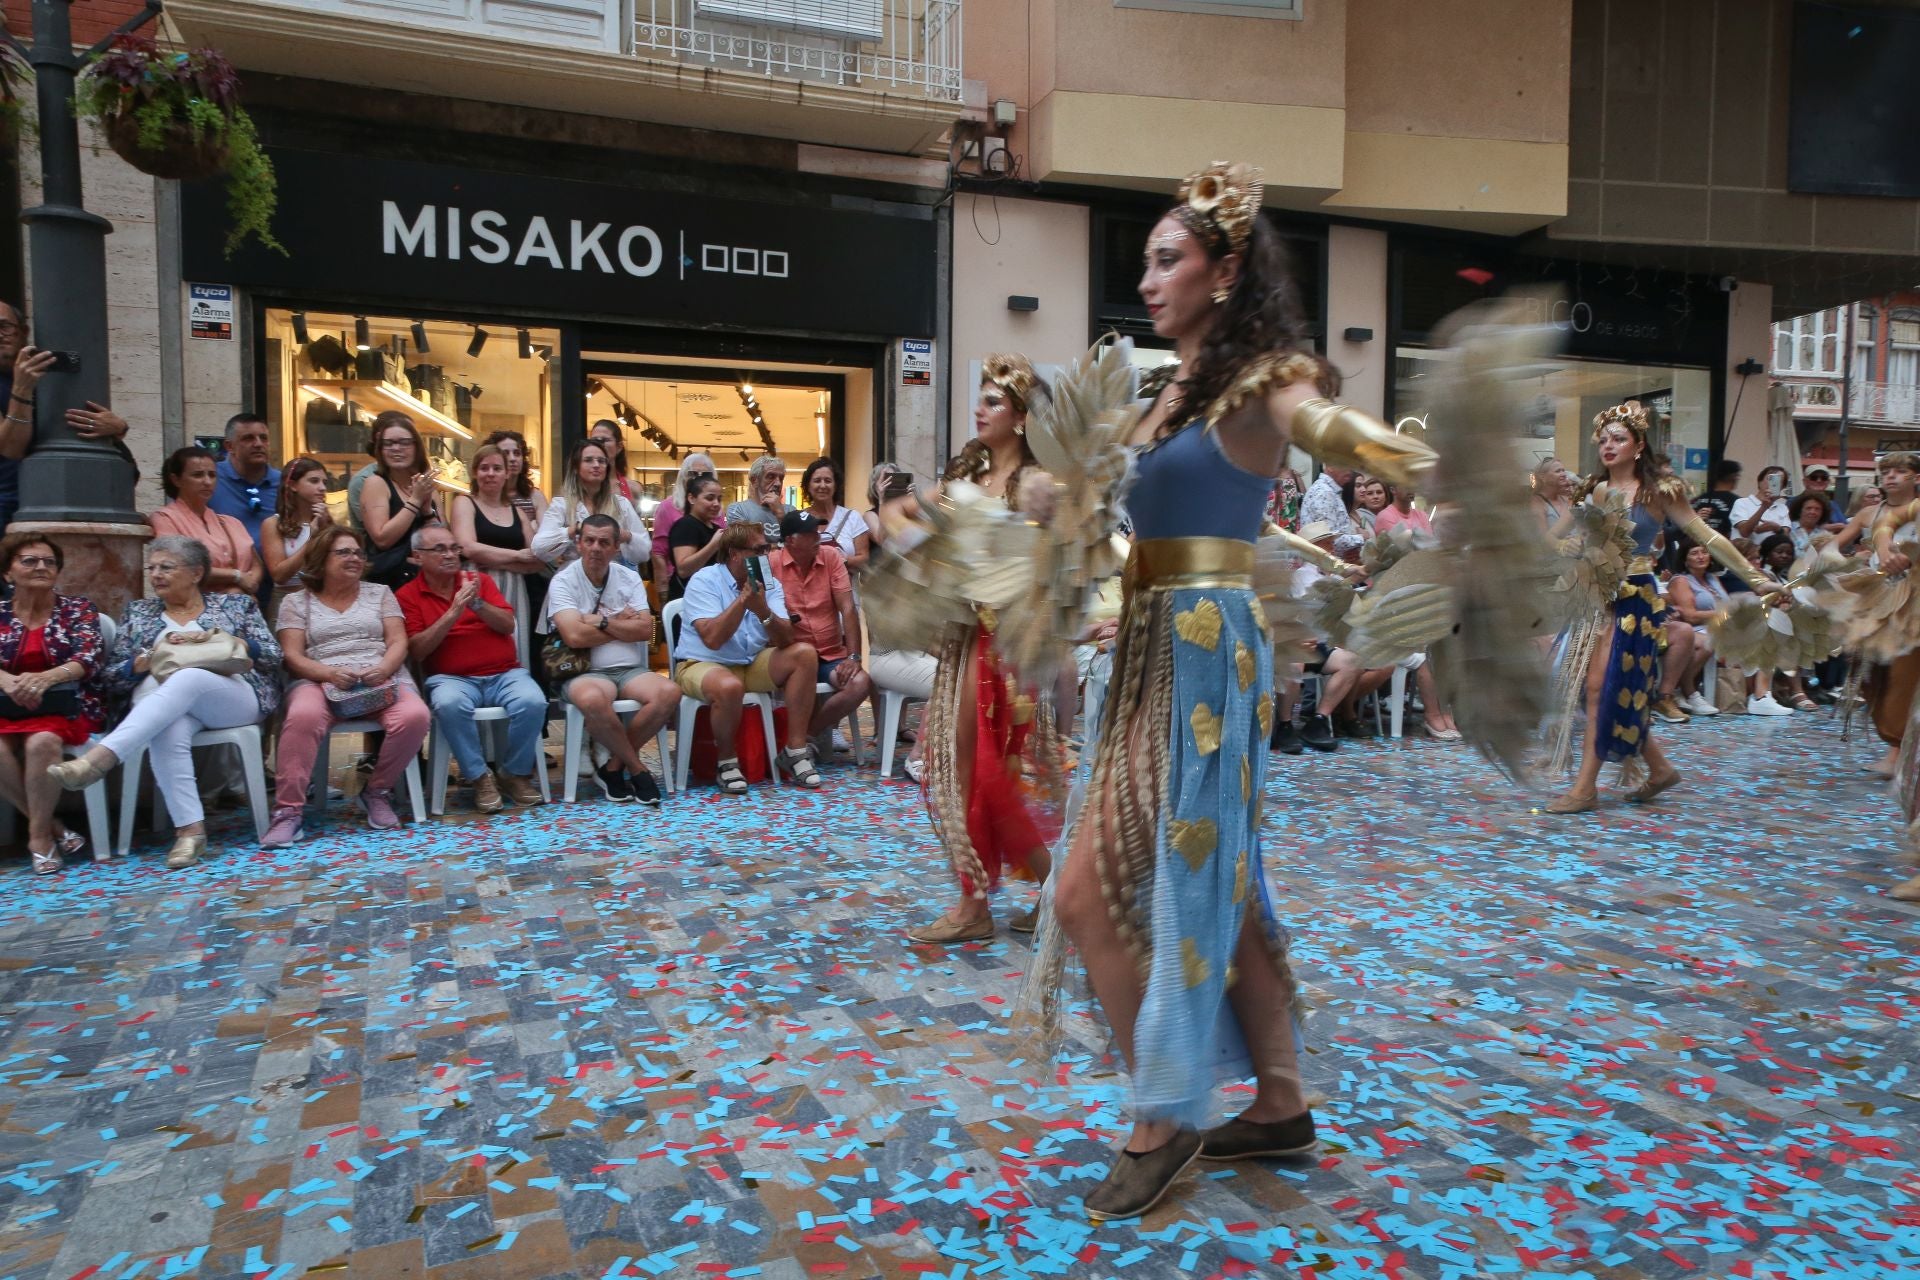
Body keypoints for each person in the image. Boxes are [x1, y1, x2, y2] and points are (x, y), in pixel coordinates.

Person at [1032, 162, 1441, 1221]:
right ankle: (1283, 1102)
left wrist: (1414, 454)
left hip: (1207, 654)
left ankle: (1161, 1120)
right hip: (1152, 637)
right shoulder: (1169, 388)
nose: (1150, 277)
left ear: (1223, 272)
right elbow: (1130, 514)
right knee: (1227, 882)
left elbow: (1329, 428)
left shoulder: (1262, 381)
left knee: (1086, 892)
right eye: (1147, 260)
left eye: (1169, 258)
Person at [1546, 404, 1777, 814]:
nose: (1608, 445)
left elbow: (1707, 536)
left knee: (1602, 687)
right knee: (1607, 688)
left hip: (1634, 598)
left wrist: (1756, 578)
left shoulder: (1660, 492)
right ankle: (1660, 767)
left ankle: (1585, 788)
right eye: (1603, 439)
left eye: (1618, 438)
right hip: (1592, 597)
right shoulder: (1589, 490)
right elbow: (1553, 541)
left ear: (1638, 446)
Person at [904, 353, 1060, 943]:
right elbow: (919, 530)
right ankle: (1041, 888)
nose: (979, 408)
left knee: (980, 767)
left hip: (1007, 639)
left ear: (1020, 416)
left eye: (993, 401)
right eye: (980, 398)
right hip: (966, 635)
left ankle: (981, 904)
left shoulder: (1038, 483)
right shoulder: (969, 477)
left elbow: (1047, 566)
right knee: (969, 768)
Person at [52, 536, 282, 868]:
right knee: (168, 726)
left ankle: (101, 758)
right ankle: (190, 832)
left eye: (166, 567)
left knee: (187, 677)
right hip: (169, 706)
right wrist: (141, 663)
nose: (156, 574)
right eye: (153, 568)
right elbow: (112, 677)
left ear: (196, 572)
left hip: (235, 698)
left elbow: (274, 656)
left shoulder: (235, 606)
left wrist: (228, 642)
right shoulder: (140, 612)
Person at [268, 526, 432, 844]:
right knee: (303, 715)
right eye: (344, 552)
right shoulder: (296, 602)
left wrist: (384, 667)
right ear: (320, 558)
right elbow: (291, 656)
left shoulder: (380, 593)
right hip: (318, 677)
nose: (354, 557)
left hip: (380, 675)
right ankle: (288, 811)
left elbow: (398, 641)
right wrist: (326, 673)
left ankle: (377, 792)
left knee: (415, 715)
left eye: (358, 552)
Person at [397, 526, 547, 813]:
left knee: (533, 701)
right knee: (449, 704)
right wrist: (454, 610)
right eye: (440, 549)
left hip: (505, 673)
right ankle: (479, 777)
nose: (451, 555)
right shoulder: (408, 595)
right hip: (451, 678)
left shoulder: (480, 581)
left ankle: (513, 773)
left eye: (454, 548)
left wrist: (476, 603)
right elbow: (417, 650)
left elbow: (507, 625)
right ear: (417, 557)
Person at [673, 521, 821, 792]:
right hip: (700, 663)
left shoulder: (769, 583)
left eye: (768, 548)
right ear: (734, 554)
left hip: (749, 662)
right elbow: (713, 639)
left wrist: (762, 609)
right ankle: (726, 761)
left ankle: (795, 750)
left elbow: (786, 639)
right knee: (730, 686)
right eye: (759, 549)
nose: (767, 555)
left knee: (804, 655)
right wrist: (742, 603)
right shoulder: (704, 580)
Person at [547, 515, 678, 805]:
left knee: (669, 692)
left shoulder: (628, 577)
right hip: (584, 671)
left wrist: (600, 622)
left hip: (630, 669)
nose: (596, 547)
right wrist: (619, 622)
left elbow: (645, 629)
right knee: (594, 699)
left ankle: (613, 767)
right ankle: (638, 768)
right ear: (579, 544)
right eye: (589, 540)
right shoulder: (563, 581)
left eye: (604, 542)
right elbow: (574, 637)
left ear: (616, 547)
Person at [0, 533, 105, 874]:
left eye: (49, 562)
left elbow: (89, 657)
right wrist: (7, 681)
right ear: (7, 573)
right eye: (29, 561)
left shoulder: (77, 609)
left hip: (64, 705)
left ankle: (37, 838)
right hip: (6, 704)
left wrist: (46, 678)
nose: (41, 567)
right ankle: (52, 827)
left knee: (42, 742)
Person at [770, 510, 873, 755]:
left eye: (818, 531)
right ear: (791, 540)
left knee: (861, 683)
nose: (818, 537)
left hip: (829, 653)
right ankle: (800, 741)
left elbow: (847, 608)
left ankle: (807, 735)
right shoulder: (772, 563)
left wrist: (853, 656)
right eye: (810, 534)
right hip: (791, 655)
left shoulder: (831, 557)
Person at [449, 443, 544, 668]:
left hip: (514, 588)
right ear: (475, 472)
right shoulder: (464, 502)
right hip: (476, 586)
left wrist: (496, 557)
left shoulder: (518, 511)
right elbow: (467, 548)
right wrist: (517, 557)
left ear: (506, 473)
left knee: (514, 643)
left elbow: (536, 559)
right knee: (478, 645)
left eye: (496, 468)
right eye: (484, 468)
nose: (490, 473)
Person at [149, 446, 263, 599]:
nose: (207, 482)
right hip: (193, 610)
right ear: (176, 479)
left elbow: (256, 563)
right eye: (197, 475)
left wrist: (245, 589)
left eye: (212, 475)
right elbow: (176, 567)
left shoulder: (231, 522)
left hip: (241, 608)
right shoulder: (165, 518)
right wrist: (236, 576)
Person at [531, 440, 646, 572]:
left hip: (614, 580)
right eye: (588, 460)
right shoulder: (562, 505)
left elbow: (643, 551)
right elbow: (538, 548)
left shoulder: (621, 504)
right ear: (576, 467)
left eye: (601, 461)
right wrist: (574, 530)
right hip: (572, 582)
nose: (596, 465)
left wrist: (625, 536)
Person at [356, 411, 441, 589]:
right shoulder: (375, 483)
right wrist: (415, 501)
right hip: (389, 584)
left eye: (404, 442)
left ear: (416, 447)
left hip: (426, 582)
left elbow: (442, 539)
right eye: (389, 443)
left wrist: (427, 511)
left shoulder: (425, 485)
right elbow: (382, 538)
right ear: (380, 449)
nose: (396, 449)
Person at [210, 413, 282, 605]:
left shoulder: (284, 483)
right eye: (248, 438)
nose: (258, 444)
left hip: (277, 585)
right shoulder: (210, 479)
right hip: (225, 587)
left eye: (263, 438)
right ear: (229, 446)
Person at [1665, 542, 1728, 716]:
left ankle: (1762, 694)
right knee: (1708, 641)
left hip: (1717, 627)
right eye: (1694, 553)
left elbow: (1728, 605)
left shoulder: (1712, 578)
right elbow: (1690, 616)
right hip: (1691, 628)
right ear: (1685, 559)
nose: (1701, 556)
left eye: (1704, 552)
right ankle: (1688, 691)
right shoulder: (1681, 581)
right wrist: (1722, 614)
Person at [261, 458, 333, 602]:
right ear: (293, 485)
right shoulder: (273, 523)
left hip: (322, 600)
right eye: (314, 481)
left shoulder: (326, 521)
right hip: (287, 599)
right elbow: (279, 576)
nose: (322, 487)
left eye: (324, 482)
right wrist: (311, 539)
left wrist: (328, 530)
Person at [650, 453, 723, 588]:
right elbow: (659, 552)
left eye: (706, 475)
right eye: (693, 474)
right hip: (685, 585)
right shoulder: (669, 508)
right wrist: (662, 589)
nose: (698, 478)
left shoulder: (714, 509)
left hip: (709, 586)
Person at [800, 457, 872, 570]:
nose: (822, 485)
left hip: (846, 586)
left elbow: (864, 557)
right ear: (808, 486)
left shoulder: (853, 517)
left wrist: (843, 560)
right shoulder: (799, 519)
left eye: (828, 481)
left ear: (836, 486)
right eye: (817, 480)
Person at [665, 474, 727, 602]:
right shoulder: (686, 525)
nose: (716, 504)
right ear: (692, 498)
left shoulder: (715, 528)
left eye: (719, 499)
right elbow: (683, 569)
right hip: (689, 599)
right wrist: (713, 545)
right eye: (710, 498)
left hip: (710, 596)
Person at [481, 429, 547, 525]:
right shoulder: (483, 497)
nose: (512, 459)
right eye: (506, 453)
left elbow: (546, 534)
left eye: (517, 453)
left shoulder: (535, 497)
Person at [1300, 462, 1361, 558]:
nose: (1350, 469)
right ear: (1330, 466)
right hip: (1322, 568)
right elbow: (1329, 541)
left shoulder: (1328, 491)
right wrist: (1362, 538)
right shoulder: (1324, 493)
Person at [727, 455, 790, 545]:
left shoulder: (791, 510)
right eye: (771, 477)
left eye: (781, 478)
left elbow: (799, 546)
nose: (778, 483)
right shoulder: (737, 509)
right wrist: (782, 547)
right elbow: (747, 546)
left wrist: (781, 515)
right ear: (754, 481)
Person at [1731, 464, 1791, 542]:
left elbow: (1786, 538)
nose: (1773, 484)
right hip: (1744, 553)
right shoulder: (1742, 503)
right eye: (1770, 479)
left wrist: (1777, 528)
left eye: (1779, 481)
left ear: (1782, 487)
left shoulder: (1783, 508)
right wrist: (1763, 507)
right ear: (1760, 481)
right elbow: (1744, 532)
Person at [589, 418, 637, 504]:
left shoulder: (633, 488)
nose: (600, 444)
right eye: (595, 440)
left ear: (619, 446)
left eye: (606, 440)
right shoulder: (577, 487)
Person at [1693, 458, 1743, 540]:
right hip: (1723, 546)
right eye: (1738, 475)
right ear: (1734, 477)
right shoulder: (1738, 502)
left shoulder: (1696, 500)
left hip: (1697, 545)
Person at [1531, 456, 1573, 532]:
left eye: (1563, 470)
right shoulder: (1537, 503)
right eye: (1558, 471)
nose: (1563, 474)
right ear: (1542, 477)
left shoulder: (1566, 498)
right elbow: (1543, 539)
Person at [1786, 492, 1828, 560]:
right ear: (1800, 511)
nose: (1812, 512)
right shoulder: (1788, 529)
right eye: (1808, 508)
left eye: (1817, 509)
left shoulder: (1825, 534)